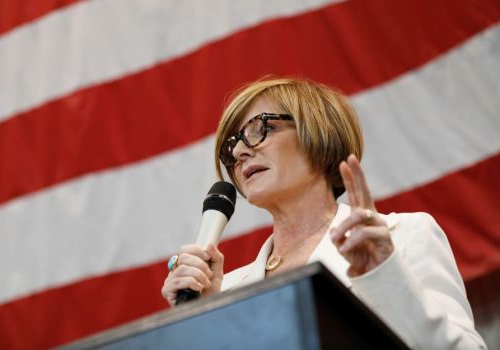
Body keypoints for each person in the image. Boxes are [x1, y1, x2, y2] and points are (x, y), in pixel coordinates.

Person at [161, 77, 487, 349]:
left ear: (317, 131)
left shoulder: (403, 237)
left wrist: (384, 274)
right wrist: (201, 319)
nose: (239, 151)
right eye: (233, 143)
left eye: (259, 128)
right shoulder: (227, 291)